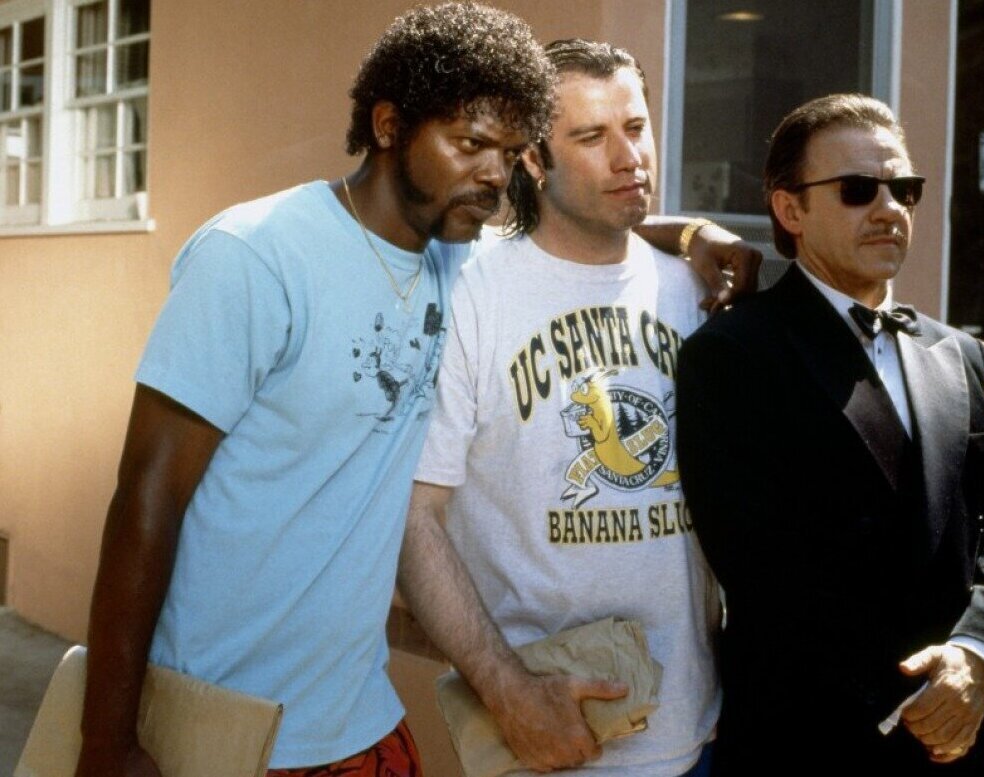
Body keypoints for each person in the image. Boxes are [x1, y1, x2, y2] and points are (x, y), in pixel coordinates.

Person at [74, 6, 760, 775]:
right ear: (389, 125)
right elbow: (147, 495)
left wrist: (694, 235)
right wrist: (106, 739)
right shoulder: (255, 255)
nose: (494, 174)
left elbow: (582, 233)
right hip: (221, 714)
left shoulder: (456, 257)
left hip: (361, 721)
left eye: (509, 152)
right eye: (470, 144)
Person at [398, 39, 739, 777]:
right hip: (546, 734)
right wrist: (508, 693)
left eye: (636, 127)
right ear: (532, 158)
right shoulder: (470, 295)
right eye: (591, 137)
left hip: (696, 730)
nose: (629, 157)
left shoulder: (696, 292)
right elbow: (413, 519)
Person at [675, 93, 984, 776]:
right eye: (857, 189)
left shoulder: (959, 353)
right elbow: (763, 568)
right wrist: (920, 692)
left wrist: (980, 655)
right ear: (790, 210)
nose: (889, 208)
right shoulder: (731, 355)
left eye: (904, 189)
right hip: (807, 744)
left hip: (953, 741)